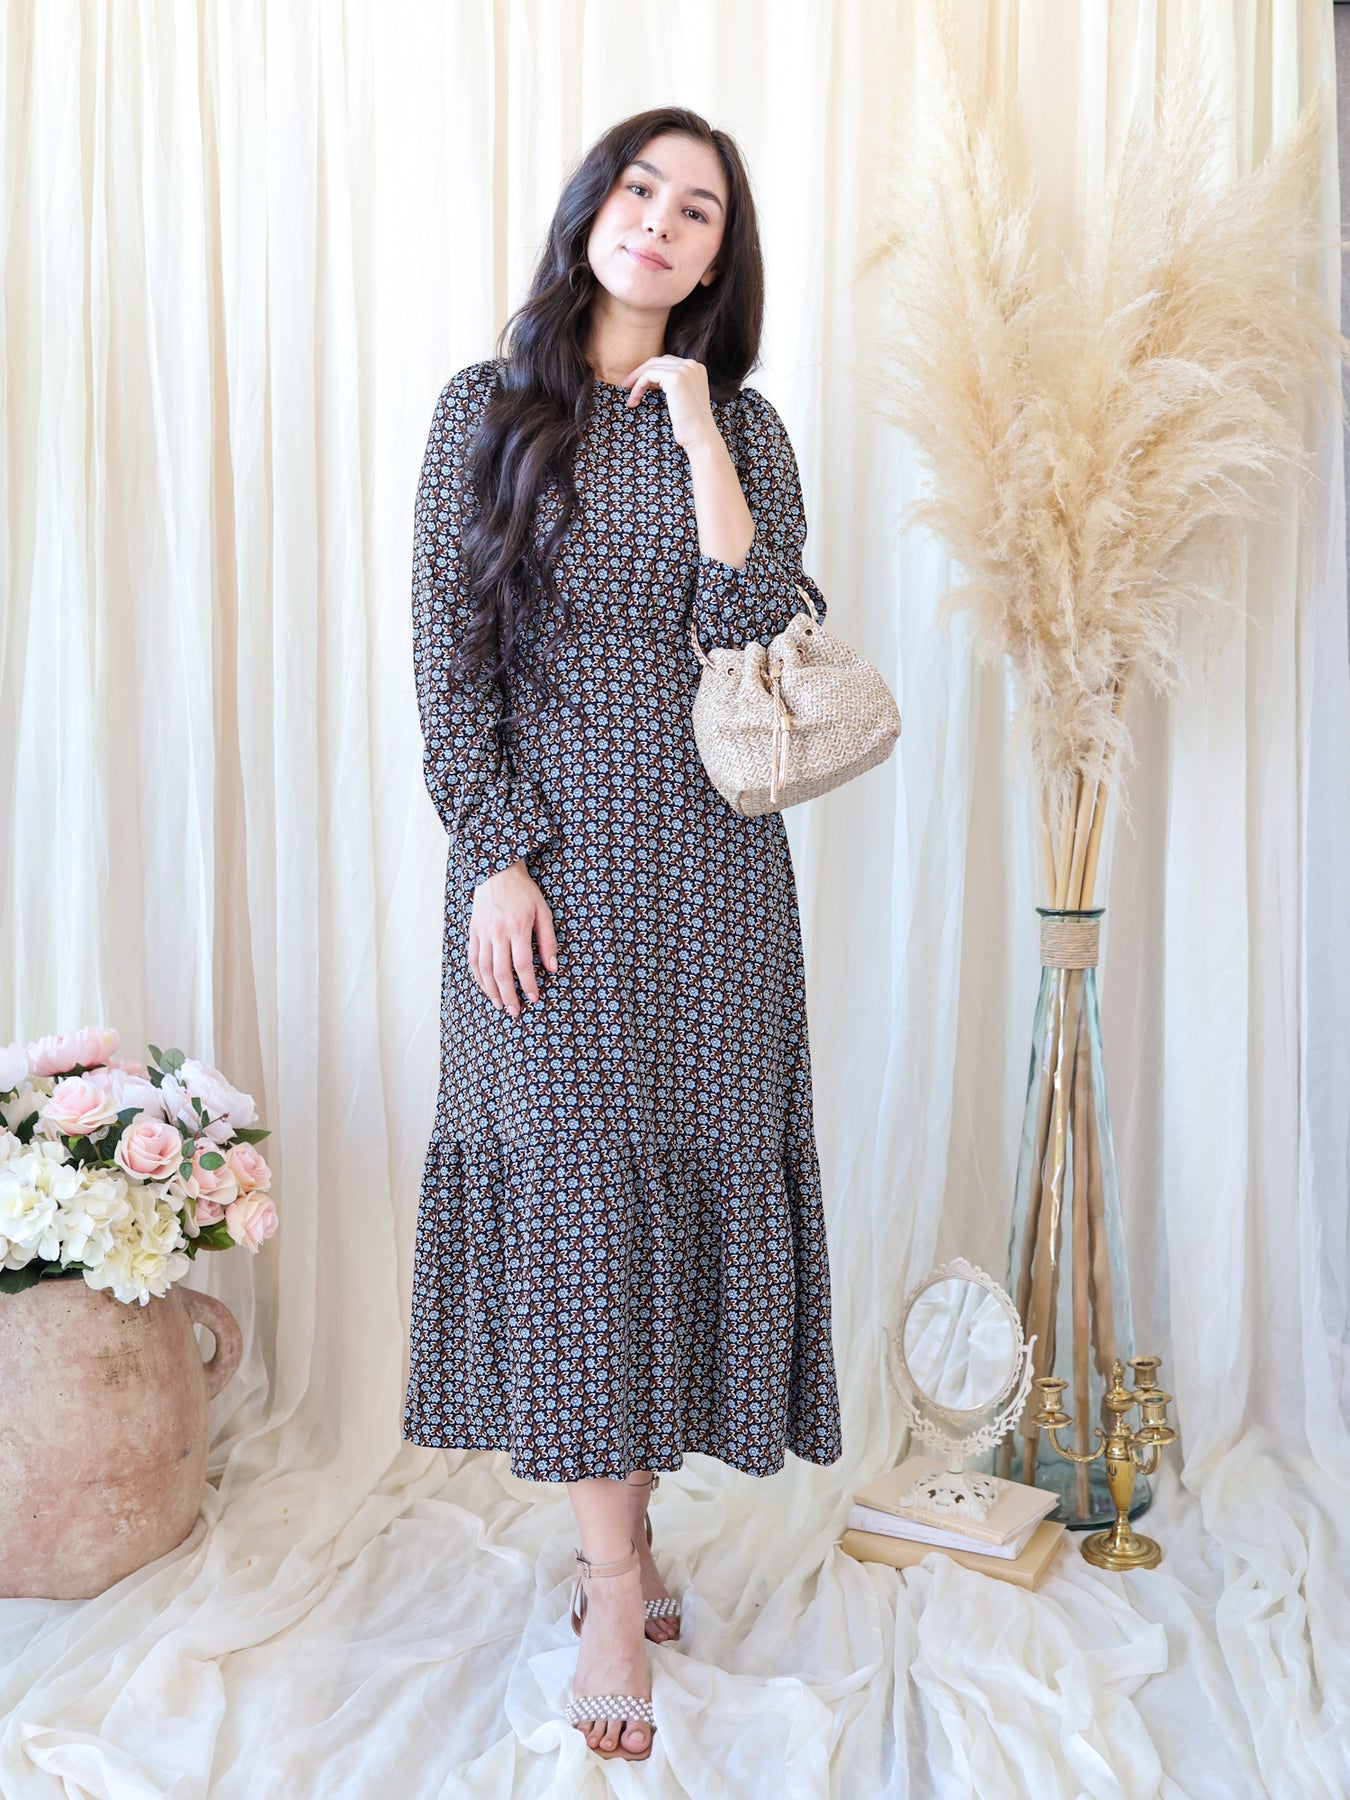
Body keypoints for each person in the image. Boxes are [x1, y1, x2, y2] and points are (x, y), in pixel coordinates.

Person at [402, 104, 843, 1764]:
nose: (660, 220)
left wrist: (701, 425)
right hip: (550, 879)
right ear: (592, 207)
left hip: (715, 883)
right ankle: (606, 1587)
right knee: (585, 1208)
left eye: (698, 209)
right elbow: (448, 657)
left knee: (664, 1196)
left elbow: (756, 621)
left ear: (721, 258)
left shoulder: (747, 426)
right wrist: (497, 857)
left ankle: (633, 1540)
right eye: (640, 188)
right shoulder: (484, 409)